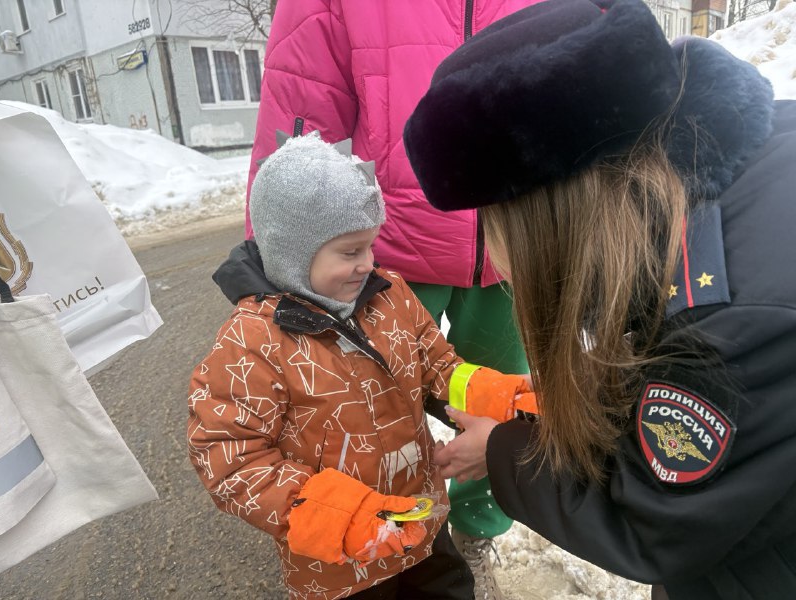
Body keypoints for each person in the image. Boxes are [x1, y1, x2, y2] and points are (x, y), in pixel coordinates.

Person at [402, 0, 796, 598]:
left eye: (494, 220)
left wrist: (504, 452)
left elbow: (657, 520)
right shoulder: (730, 168)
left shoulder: (727, 315)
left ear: (550, 216)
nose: (497, 251)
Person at [244, 3, 546, 597]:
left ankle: (471, 527)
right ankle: (351, 520)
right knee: (352, 402)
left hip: (518, 236)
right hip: (398, 244)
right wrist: (279, 251)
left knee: (492, 393)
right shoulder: (259, 344)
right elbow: (304, 88)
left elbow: (449, 375)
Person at [187, 133, 534, 599]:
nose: (366, 265)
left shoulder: (389, 295)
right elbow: (232, 459)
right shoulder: (252, 341)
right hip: (337, 563)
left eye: (370, 247)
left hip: (420, 524)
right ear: (292, 250)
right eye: (350, 252)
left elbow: (442, 368)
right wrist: (339, 518)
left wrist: (501, 397)